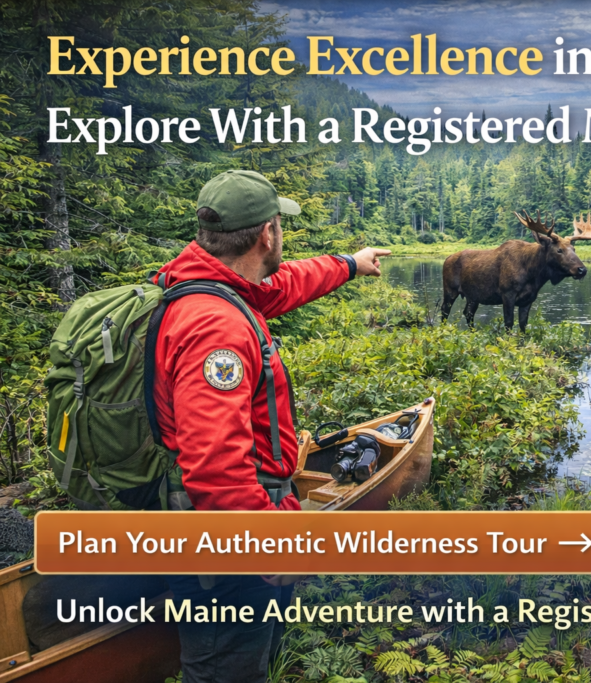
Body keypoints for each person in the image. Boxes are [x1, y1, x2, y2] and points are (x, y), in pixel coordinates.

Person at [153, 170, 390, 682]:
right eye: (279, 224)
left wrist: (349, 264)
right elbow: (215, 466)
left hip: (233, 522)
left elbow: (281, 286)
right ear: (267, 234)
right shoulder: (215, 326)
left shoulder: (207, 287)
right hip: (227, 537)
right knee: (223, 671)